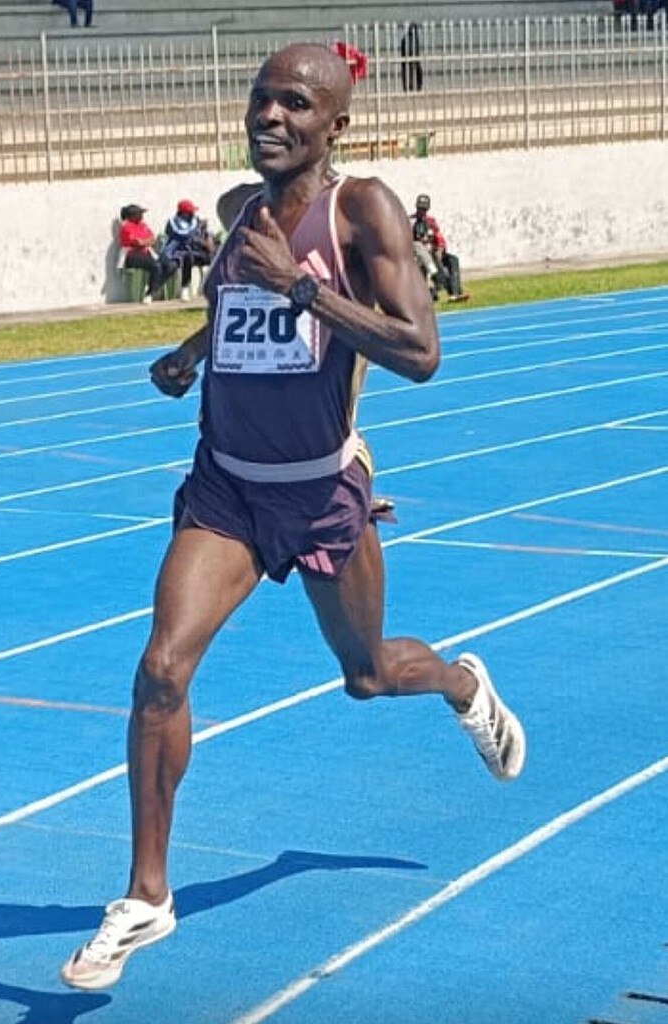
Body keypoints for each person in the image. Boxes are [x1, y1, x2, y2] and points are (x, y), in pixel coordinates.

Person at [61, 42, 526, 992]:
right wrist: (192, 352)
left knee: (367, 674)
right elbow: (244, 303)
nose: (271, 116)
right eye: (261, 100)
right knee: (160, 671)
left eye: (296, 105)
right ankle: (146, 895)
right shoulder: (239, 209)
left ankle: (459, 683)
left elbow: (421, 351)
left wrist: (302, 287)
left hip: (319, 492)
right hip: (226, 488)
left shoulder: (362, 210)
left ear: (335, 125)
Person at [410, 193, 469, 303]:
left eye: (424, 209)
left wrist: (440, 249)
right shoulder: (411, 221)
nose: (421, 211)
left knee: (453, 260)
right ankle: (435, 289)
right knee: (430, 264)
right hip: (421, 256)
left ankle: (455, 293)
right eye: (420, 208)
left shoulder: (431, 221)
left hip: (434, 252)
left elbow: (439, 237)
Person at [158, 199, 217, 300]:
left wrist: (208, 240)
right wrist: (199, 236)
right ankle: (184, 288)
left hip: (198, 251)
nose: (193, 213)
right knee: (187, 258)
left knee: (217, 258)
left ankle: (214, 288)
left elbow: (207, 235)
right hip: (179, 252)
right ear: (184, 213)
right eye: (190, 211)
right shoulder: (173, 223)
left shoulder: (196, 221)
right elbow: (183, 235)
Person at [118, 204, 177, 302]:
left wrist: (145, 242)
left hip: (148, 252)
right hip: (133, 255)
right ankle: (149, 294)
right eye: (139, 213)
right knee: (156, 266)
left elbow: (153, 239)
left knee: (171, 265)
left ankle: (153, 287)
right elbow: (138, 243)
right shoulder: (127, 227)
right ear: (132, 216)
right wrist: (146, 241)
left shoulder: (143, 225)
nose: (142, 215)